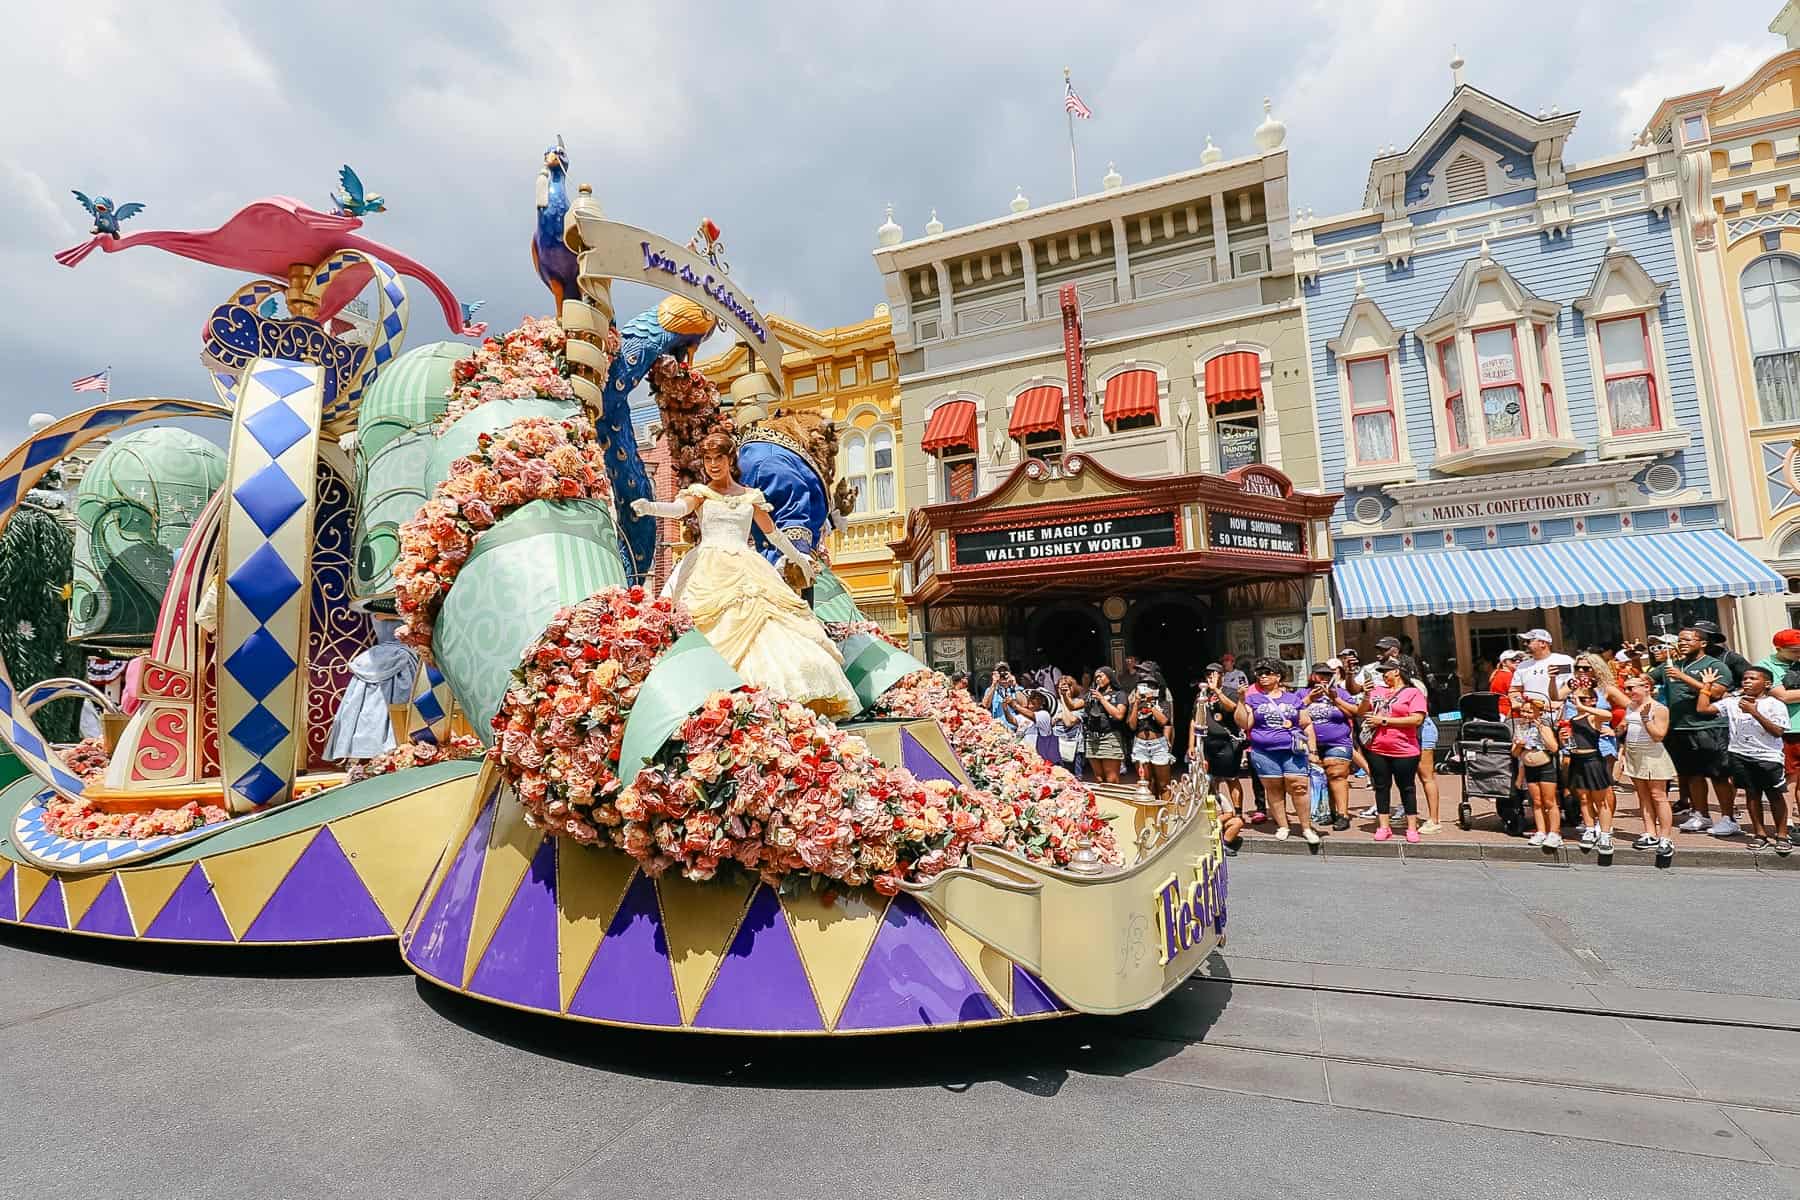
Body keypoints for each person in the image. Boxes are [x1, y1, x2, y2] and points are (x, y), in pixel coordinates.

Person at [632, 432, 859, 717]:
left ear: (730, 460)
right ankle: (705, 701)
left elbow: (773, 534)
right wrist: (650, 507)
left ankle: (770, 701)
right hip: (707, 567)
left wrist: (799, 558)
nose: (713, 464)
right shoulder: (701, 493)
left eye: (719, 458)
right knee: (701, 624)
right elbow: (679, 510)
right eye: (708, 459)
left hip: (747, 566)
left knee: (768, 625)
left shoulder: (751, 497)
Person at [1650, 625, 1737, 837]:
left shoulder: (1713, 665)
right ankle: (1701, 815)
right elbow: (1647, 679)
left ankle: (1728, 818)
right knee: (1692, 775)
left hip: (1709, 728)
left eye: (1688, 640)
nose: (1682, 643)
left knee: (1718, 775)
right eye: (1680, 640)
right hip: (1680, 728)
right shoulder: (1672, 665)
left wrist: (1683, 677)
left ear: (1703, 643)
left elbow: (1717, 692)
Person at [1701, 665, 1791, 853]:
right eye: (1745, 679)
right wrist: (1706, 687)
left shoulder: (1775, 704)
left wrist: (1754, 712)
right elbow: (1703, 709)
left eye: (1753, 679)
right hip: (1740, 754)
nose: (1747, 682)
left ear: (1766, 683)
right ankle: (1760, 834)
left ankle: (1781, 835)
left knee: (1774, 794)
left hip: (1767, 756)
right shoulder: (1733, 702)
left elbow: (1777, 732)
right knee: (1752, 793)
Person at [1236, 659, 1319, 844]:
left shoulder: (1293, 698)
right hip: (1264, 752)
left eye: (1268, 673)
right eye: (1260, 673)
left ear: (1278, 676)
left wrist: (1312, 750)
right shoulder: (1252, 699)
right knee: (1273, 789)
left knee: (1299, 786)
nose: (1263, 676)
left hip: (1292, 750)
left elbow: (1306, 724)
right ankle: (1283, 825)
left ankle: (1306, 827)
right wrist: (1241, 701)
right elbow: (1244, 723)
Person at [1356, 659, 1426, 842]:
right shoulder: (1378, 691)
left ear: (1397, 671)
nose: (1383, 675)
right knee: (1381, 786)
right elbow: (1361, 711)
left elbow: (1417, 719)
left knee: (1407, 787)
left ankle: (1411, 827)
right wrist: (1365, 694)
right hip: (1378, 747)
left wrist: (1385, 721)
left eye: (1386, 671)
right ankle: (1384, 826)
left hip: (1404, 748)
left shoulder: (1413, 693)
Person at [1620, 674, 1676, 856]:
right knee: (1643, 796)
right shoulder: (1630, 706)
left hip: (1652, 754)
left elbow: (1659, 735)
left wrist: (1646, 719)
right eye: (1626, 688)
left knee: (1658, 795)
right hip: (1634, 753)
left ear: (1646, 687)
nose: (1628, 692)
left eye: (1631, 688)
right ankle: (1650, 832)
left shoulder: (1659, 708)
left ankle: (1665, 836)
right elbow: (1626, 728)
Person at [1563, 682, 1618, 857]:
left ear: (1592, 700)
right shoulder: (1573, 720)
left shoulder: (1594, 717)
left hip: (1593, 760)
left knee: (1601, 800)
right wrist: (1565, 739)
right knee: (1584, 799)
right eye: (1574, 698)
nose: (1576, 701)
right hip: (1577, 760)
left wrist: (1585, 706)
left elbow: (1608, 714)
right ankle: (1590, 828)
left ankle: (1605, 834)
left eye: (1581, 698)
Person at [1756, 629, 1800, 845]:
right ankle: (1787, 822)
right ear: (1779, 648)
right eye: (1794, 651)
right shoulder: (1766, 666)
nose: (1799, 654)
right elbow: (1783, 695)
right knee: (1789, 778)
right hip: (1787, 729)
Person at [1302, 662, 1356, 832]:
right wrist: (1309, 699)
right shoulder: (1302, 693)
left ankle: (1343, 815)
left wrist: (1335, 698)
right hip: (1310, 744)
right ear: (1312, 676)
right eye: (1320, 675)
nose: (1324, 678)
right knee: (1321, 778)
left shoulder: (1340, 692)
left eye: (1327, 675)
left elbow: (1354, 712)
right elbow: (1291, 712)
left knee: (1336, 774)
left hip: (1338, 741)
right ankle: (1329, 812)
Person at [1512, 697, 1563, 848]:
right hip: (1529, 767)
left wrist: (1541, 729)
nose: (1525, 714)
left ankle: (1555, 832)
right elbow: (1514, 753)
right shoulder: (1520, 727)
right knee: (1536, 801)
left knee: (1549, 801)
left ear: (1538, 713)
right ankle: (1541, 831)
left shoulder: (1544, 726)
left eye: (1529, 711)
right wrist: (1518, 746)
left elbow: (1554, 747)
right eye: (1523, 711)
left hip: (1545, 767)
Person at [1128, 662, 1178, 796]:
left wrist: (1150, 703)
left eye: (1149, 685)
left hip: (1158, 743)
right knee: (1145, 782)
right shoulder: (1135, 696)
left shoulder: (1163, 696)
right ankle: (1150, 813)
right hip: (1140, 744)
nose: (1145, 688)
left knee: (1163, 784)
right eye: (1143, 685)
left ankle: (1166, 813)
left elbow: (1166, 722)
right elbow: (1132, 725)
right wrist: (1136, 704)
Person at [1083, 666, 1128, 783]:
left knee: (1111, 779)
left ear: (1110, 677)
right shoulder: (1091, 695)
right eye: (1096, 677)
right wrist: (1065, 695)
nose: (1097, 679)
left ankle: (1114, 801)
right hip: (1092, 738)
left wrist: (1102, 699)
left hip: (1109, 737)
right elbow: (1073, 706)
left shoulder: (1119, 694)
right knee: (1099, 779)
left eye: (1100, 676)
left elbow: (1119, 715)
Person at [1508, 628, 1574, 706]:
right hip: (1531, 715)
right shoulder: (1522, 666)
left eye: (1528, 641)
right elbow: (1514, 690)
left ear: (1542, 643)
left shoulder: (1564, 660)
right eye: (1524, 641)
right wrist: (1522, 704)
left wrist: (1557, 700)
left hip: (1557, 713)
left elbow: (1571, 684)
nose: (1525, 644)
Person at [1692, 619, 1751, 688]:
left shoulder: (1731, 658)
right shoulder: (1687, 658)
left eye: (1699, 637)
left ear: (1713, 639)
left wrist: (1734, 694)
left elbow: (1753, 680)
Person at [1052, 676, 1086, 777]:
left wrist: (1063, 699)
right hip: (1057, 745)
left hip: (1074, 747)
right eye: (1059, 687)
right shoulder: (1054, 703)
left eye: (1065, 687)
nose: (1062, 690)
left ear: (1072, 688)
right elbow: (1050, 723)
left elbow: (1069, 722)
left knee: (1076, 779)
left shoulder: (1078, 703)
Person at [1489, 649, 1523, 716]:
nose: (1518, 661)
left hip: (1500, 712)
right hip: (1509, 714)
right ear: (1504, 663)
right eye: (1513, 659)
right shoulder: (1508, 676)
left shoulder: (1498, 674)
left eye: (1520, 659)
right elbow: (1517, 697)